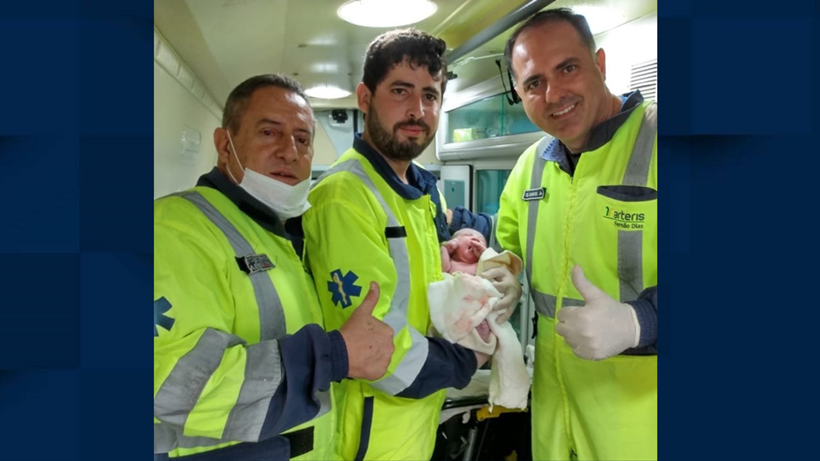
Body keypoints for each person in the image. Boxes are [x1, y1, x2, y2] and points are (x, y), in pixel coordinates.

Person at [301, 29, 523, 460]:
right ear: (365, 98)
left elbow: (420, 285)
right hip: (366, 437)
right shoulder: (345, 196)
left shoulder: (422, 190)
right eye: (400, 91)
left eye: (430, 95)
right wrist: (472, 356)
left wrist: (464, 264)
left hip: (416, 425)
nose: (417, 110)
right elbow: (375, 344)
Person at [153, 74, 395, 461]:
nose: (290, 151)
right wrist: (334, 354)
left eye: (303, 139)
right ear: (223, 145)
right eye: (269, 133)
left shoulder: (277, 235)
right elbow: (174, 385)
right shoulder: (174, 229)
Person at [496, 8, 658, 460]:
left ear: (600, 64)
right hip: (554, 427)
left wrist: (639, 322)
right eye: (533, 83)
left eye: (567, 68)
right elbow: (506, 248)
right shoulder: (530, 167)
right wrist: (498, 272)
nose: (553, 94)